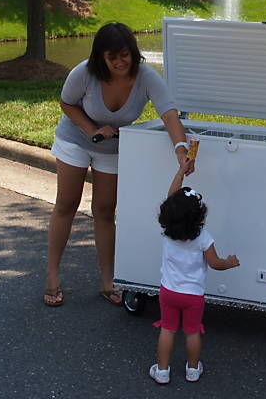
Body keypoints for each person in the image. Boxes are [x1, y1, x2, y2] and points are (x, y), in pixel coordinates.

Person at [44, 22, 195, 307]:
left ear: (133, 52)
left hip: (112, 148)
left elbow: (169, 113)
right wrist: (92, 130)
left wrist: (180, 149)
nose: (119, 62)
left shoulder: (146, 77)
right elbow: (67, 103)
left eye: (124, 54)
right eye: (111, 56)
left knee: (104, 210)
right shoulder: (85, 73)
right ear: (100, 56)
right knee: (66, 204)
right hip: (75, 140)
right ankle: (52, 275)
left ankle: (108, 281)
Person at [149, 178, 239, 385]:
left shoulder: (168, 232)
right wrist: (229, 262)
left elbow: (171, 198)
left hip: (169, 292)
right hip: (193, 296)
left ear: (168, 216)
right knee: (192, 332)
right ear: (199, 217)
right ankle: (192, 369)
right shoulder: (204, 238)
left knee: (167, 330)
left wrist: (180, 171)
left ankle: (162, 371)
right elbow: (215, 263)